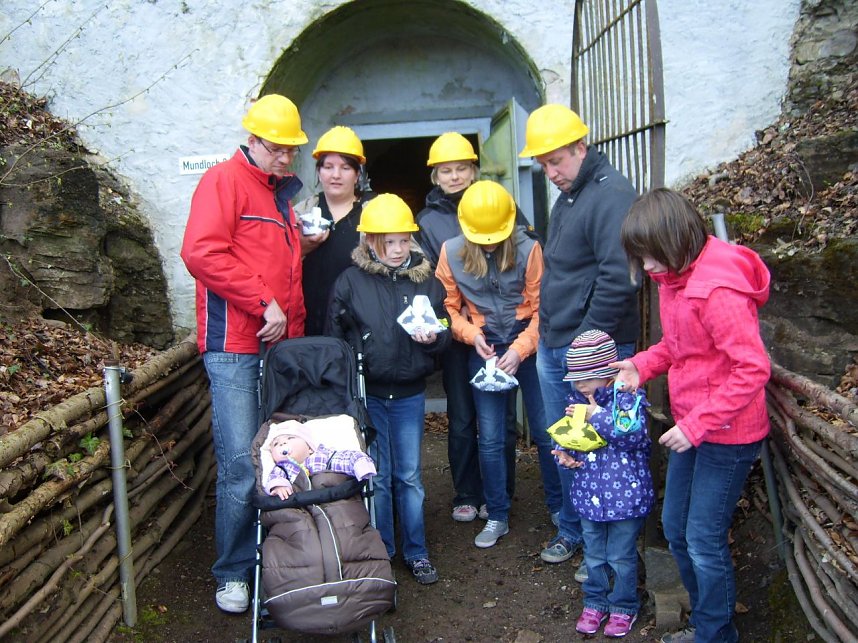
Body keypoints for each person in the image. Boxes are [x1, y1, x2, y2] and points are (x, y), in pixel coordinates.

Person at [612, 188, 771, 643]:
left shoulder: (716, 291)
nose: (647, 267)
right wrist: (640, 365)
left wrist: (697, 424)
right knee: (675, 529)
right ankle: (706, 623)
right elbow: (681, 346)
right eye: (640, 257)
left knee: (702, 538)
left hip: (727, 433)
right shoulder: (675, 278)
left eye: (650, 255)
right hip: (692, 426)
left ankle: (716, 634)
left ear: (675, 239)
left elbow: (752, 368)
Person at [180, 94, 308, 613]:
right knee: (239, 463)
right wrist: (262, 301)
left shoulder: (279, 196)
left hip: (278, 348)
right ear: (252, 140)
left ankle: (279, 562)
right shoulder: (224, 181)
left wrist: (294, 334)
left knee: (280, 458)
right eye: (276, 148)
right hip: (235, 347)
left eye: (291, 149)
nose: (285, 157)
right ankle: (233, 572)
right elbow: (201, 252)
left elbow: (282, 271)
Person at [518, 104, 640, 578]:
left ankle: (605, 551)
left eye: (557, 161)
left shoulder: (611, 195)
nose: (550, 173)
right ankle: (574, 529)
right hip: (558, 341)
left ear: (581, 148)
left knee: (599, 446)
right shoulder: (572, 195)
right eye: (544, 164)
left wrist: (586, 347)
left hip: (590, 350)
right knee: (569, 440)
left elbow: (618, 277)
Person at [417, 132, 539, 524]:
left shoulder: (500, 204)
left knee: (500, 420)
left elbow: (523, 249)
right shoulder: (428, 221)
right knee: (463, 416)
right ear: (435, 176)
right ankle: (466, 492)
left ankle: (499, 492)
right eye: (446, 171)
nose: (454, 176)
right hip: (461, 334)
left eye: (461, 168)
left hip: (503, 329)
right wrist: (461, 325)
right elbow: (431, 281)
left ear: (473, 170)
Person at [328, 193, 451, 585]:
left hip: (410, 393)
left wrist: (435, 337)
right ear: (370, 242)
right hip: (371, 394)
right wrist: (347, 385)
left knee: (410, 475)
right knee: (378, 476)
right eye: (389, 242)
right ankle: (383, 551)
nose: (398, 250)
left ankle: (416, 551)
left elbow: (444, 325)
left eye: (403, 241)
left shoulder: (425, 280)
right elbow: (335, 336)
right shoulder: (350, 282)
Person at [435, 180, 548, 548]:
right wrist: (471, 335)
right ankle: (497, 514)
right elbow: (447, 308)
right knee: (491, 436)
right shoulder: (451, 251)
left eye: (495, 238)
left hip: (526, 342)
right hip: (483, 343)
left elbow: (543, 308)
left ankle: (562, 513)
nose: (488, 245)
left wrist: (521, 348)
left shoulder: (529, 248)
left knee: (546, 430)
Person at [552, 330, 653, 638]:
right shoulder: (577, 401)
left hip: (625, 496)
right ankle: (595, 602)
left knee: (621, 556)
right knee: (594, 554)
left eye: (587, 378)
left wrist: (596, 415)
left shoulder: (628, 398)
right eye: (576, 379)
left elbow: (631, 435)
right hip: (589, 495)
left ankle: (624, 606)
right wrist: (563, 452)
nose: (580, 385)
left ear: (607, 373)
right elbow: (570, 435)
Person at [294, 126, 374, 335]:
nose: (336, 175)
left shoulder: (375, 212)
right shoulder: (300, 213)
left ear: (357, 174)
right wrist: (300, 248)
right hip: (308, 325)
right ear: (319, 172)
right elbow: (274, 266)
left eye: (346, 168)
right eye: (328, 167)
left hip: (359, 327)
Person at [263, 421, 377, 500]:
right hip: (299, 507)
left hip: (332, 500)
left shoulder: (321, 457)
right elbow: (274, 478)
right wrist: (278, 487)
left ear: (309, 448)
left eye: (290, 438)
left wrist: (359, 463)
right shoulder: (282, 468)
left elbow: (344, 458)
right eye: (276, 444)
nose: (282, 443)